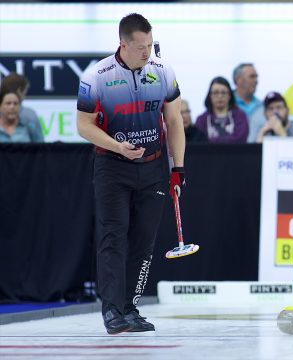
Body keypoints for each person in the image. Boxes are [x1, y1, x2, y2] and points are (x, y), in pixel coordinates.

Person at [76, 13, 185, 335]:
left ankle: (130, 306)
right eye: (140, 47)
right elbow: (83, 126)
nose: (146, 52)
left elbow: (175, 121)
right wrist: (117, 146)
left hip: (152, 167)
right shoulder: (97, 75)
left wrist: (177, 167)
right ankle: (111, 310)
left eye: (150, 45)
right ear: (122, 43)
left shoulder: (163, 71)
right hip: (112, 167)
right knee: (114, 236)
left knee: (143, 241)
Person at [195, 76, 249, 143]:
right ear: (210, 96)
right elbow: (200, 142)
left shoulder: (240, 116)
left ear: (229, 95)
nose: (220, 96)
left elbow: (240, 139)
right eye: (215, 93)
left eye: (223, 93)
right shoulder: (202, 119)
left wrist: (212, 140)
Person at [0, 72, 44, 138]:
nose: (12, 107)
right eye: (25, 92)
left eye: (15, 104)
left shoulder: (29, 116)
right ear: (19, 91)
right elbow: (40, 145)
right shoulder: (30, 115)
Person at [232, 63, 265, 143]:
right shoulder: (225, 105)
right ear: (238, 79)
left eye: (256, 77)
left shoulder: (263, 107)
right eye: (252, 76)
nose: (256, 81)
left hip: (256, 152)